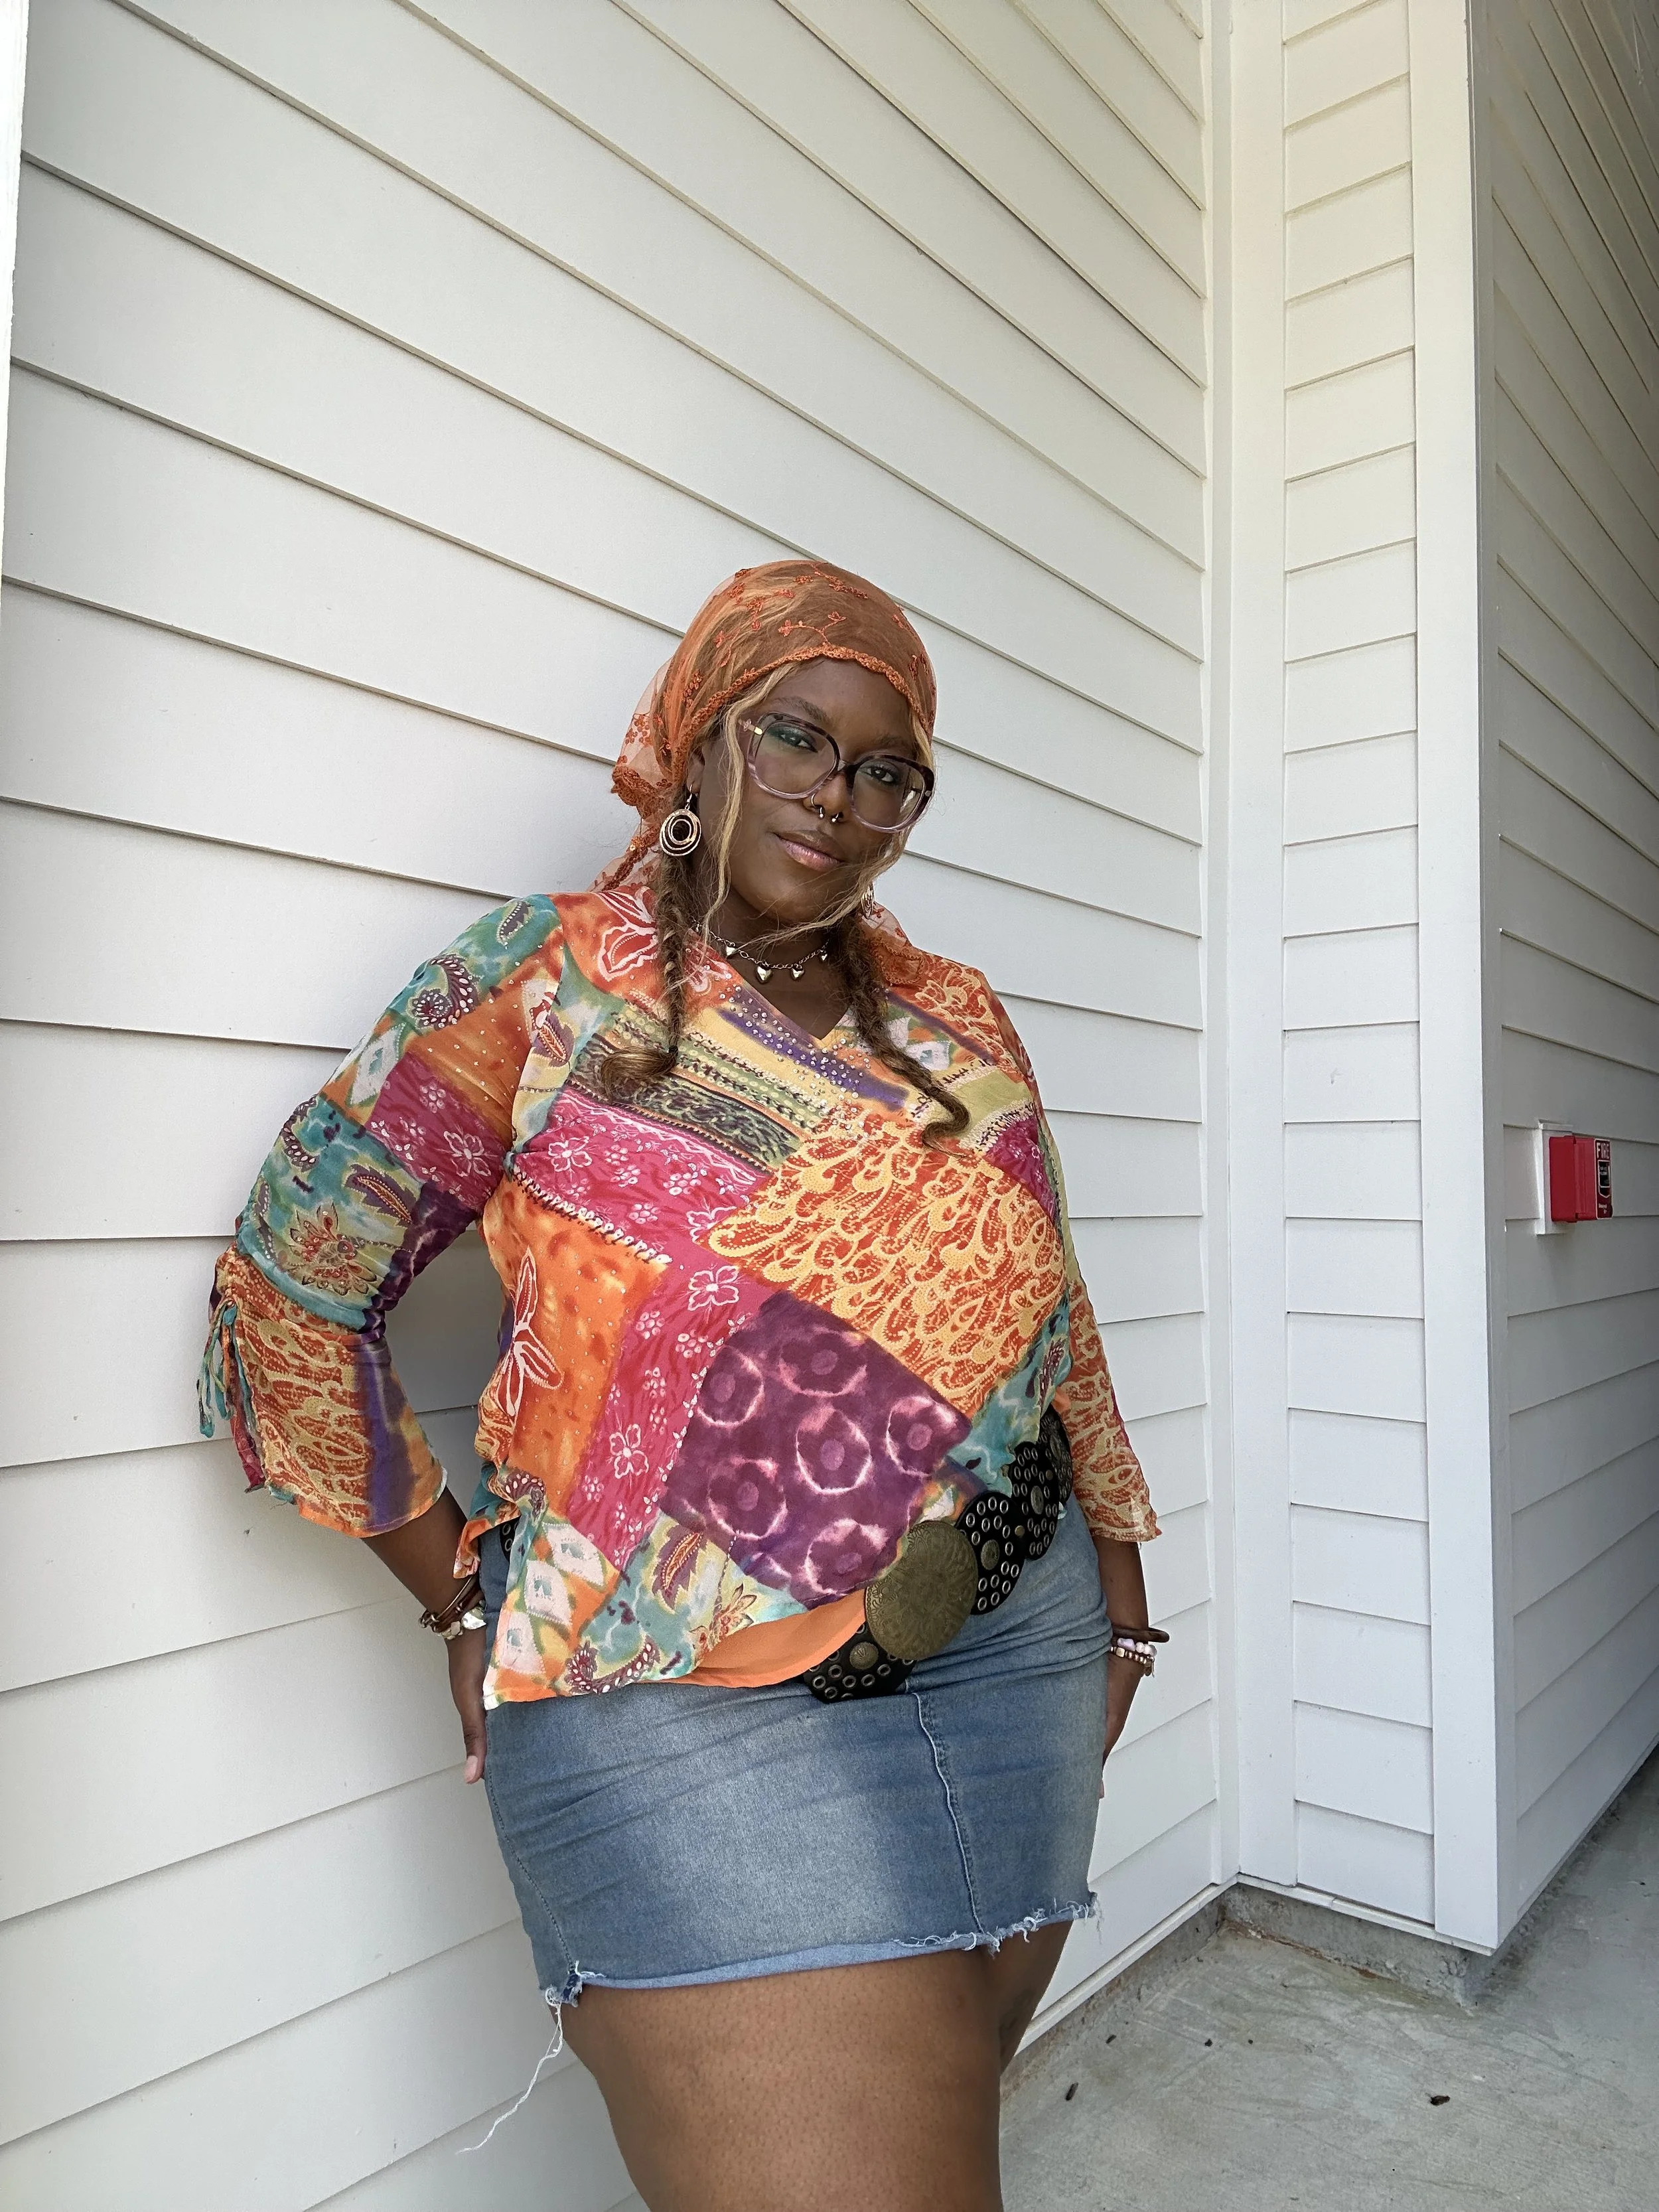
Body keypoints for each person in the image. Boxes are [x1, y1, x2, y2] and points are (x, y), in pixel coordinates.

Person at [201, 558, 1162, 2212]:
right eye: (798, 734)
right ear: (698, 736)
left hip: (1008, 1635)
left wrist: (1122, 1591)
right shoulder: (544, 982)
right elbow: (290, 1288)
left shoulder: (953, 1014)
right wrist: (454, 1595)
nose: (840, 794)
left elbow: (1045, 1309)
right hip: (675, 1681)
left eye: (887, 768)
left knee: (944, 2128)